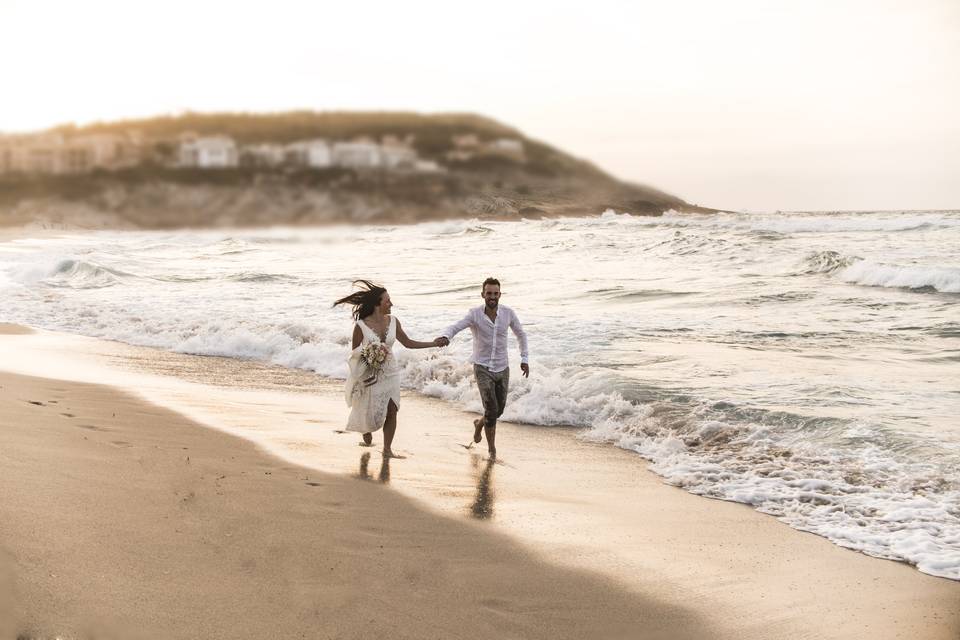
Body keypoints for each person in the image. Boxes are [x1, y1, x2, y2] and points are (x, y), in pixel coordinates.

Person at [334, 280, 444, 458]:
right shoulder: (361, 325)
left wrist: (433, 343)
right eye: (387, 301)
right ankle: (366, 430)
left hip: (391, 372)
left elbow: (408, 343)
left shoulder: (393, 321)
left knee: (392, 409)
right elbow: (354, 354)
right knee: (369, 411)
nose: (391, 304)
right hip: (371, 373)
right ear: (378, 303)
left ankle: (387, 449)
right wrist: (363, 374)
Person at [436, 277, 529, 458]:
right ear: (483, 294)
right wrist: (446, 336)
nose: (492, 297)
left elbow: (521, 335)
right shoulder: (475, 314)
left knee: (498, 410)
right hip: (482, 367)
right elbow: (456, 326)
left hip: (502, 367)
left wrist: (524, 358)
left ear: (500, 294)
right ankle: (492, 449)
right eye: (489, 293)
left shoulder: (508, 313)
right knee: (491, 408)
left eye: (495, 293)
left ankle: (479, 424)